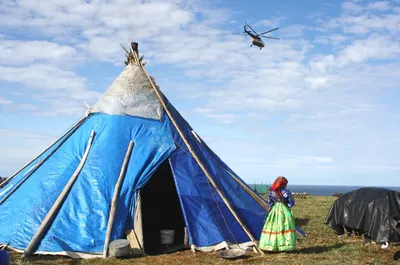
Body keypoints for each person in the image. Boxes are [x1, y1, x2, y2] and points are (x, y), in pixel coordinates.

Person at [258, 176, 297, 252]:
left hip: (274, 210)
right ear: (283, 184)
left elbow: (269, 203)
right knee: (285, 226)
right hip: (284, 210)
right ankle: (284, 246)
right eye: (285, 184)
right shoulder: (286, 192)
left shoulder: (272, 192)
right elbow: (291, 202)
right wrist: (287, 206)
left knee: (272, 227)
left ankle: (270, 245)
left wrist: (271, 208)